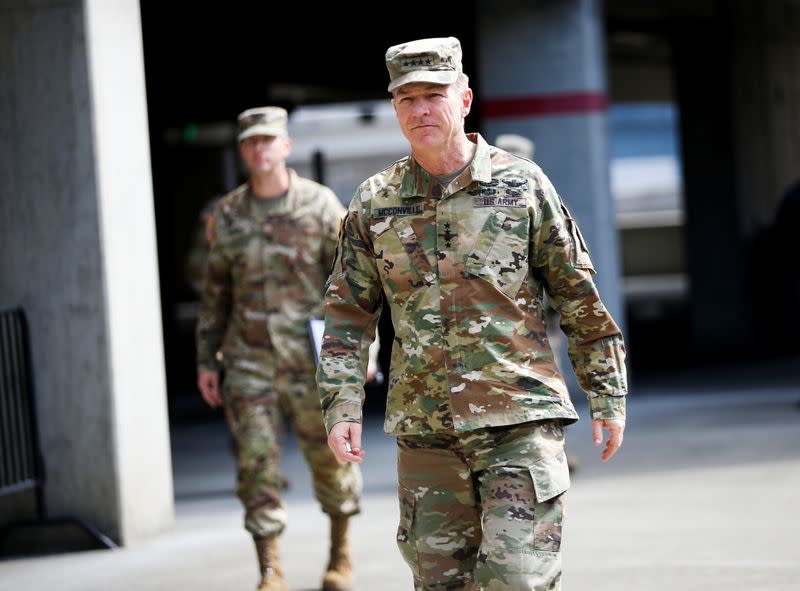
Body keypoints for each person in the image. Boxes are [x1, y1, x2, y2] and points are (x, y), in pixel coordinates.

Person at [316, 37, 628, 590]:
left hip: (519, 421)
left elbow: (576, 294)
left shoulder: (522, 185)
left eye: (432, 95)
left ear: (463, 100)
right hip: (427, 432)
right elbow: (347, 316)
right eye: (406, 99)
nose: (419, 110)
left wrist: (607, 393)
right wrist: (341, 405)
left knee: (517, 579)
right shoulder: (374, 201)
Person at [196, 106, 363, 591]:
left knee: (331, 461)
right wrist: (207, 360)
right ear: (243, 151)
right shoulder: (227, 215)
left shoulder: (320, 205)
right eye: (250, 142)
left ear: (286, 146)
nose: (260, 149)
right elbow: (215, 294)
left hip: (312, 364)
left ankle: (340, 556)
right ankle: (270, 569)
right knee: (255, 463)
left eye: (268, 140)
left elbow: (351, 285)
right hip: (248, 362)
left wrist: (355, 356)